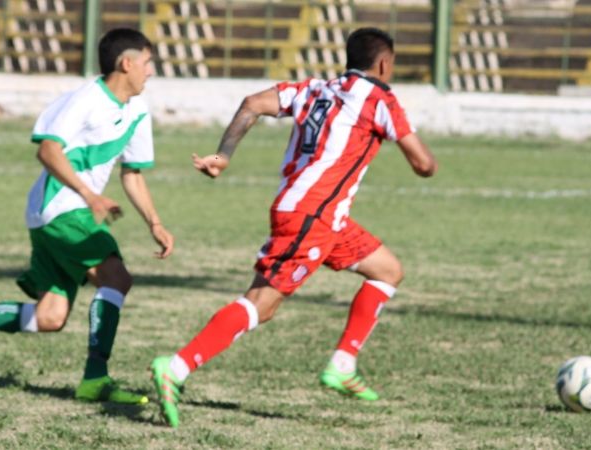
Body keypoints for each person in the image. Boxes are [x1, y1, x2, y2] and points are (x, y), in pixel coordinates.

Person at [150, 27, 438, 427]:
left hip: (320, 216)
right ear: (385, 63)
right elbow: (424, 165)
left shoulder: (313, 89)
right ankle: (177, 367)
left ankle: (342, 364)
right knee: (261, 304)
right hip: (312, 217)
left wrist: (224, 154)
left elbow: (252, 103)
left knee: (387, 270)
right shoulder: (380, 99)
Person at [0, 28, 174, 405]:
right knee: (116, 277)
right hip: (60, 207)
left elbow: (132, 173)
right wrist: (90, 195)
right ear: (127, 63)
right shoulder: (84, 101)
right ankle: (95, 379)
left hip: (64, 212)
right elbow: (48, 151)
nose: (151, 71)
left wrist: (155, 223)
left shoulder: (137, 109)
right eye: (148, 63)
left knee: (50, 317)